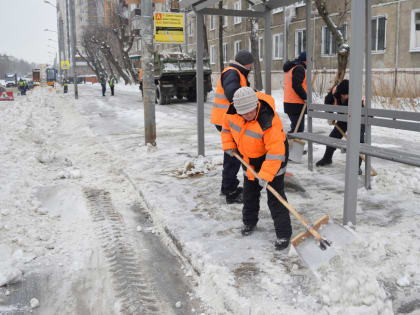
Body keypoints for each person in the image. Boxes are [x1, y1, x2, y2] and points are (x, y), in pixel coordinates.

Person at [221, 87, 292, 250]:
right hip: (249, 158)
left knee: (275, 196)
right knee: (249, 192)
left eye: (251, 111)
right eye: (244, 113)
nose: (248, 115)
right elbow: (226, 130)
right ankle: (249, 222)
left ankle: (283, 234)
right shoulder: (232, 114)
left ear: (256, 105)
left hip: (274, 157)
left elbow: (276, 151)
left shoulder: (268, 120)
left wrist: (266, 175)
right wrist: (229, 146)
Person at [210, 50, 254, 204]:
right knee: (234, 155)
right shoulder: (233, 73)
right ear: (246, 63)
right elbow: (234, 94)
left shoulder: (235, 72)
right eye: (251, 64)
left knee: (233, 154)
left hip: (227, 119)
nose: (251, 67)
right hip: (227, 121)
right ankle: (230, 191)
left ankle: (228, 186)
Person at [315, 79, 365, 174]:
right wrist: (330, 115)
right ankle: (327, 159)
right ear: (340, 92)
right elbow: (327, 102)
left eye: (347, 94)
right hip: (342, 118)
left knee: (359, 142)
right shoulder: (334, 93)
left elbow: (363, 113)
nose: (346, 96)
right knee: (333, 137)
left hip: (358, 120)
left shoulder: (355, 95)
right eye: (344, 94)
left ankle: (356, 167)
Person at [283, 51, 307, 133]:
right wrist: (305, 97)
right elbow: (296, 85)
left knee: (296, 129)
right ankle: (288, 145)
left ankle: (289, 144)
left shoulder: (292, 68)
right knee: (298, 131)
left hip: (290, 103)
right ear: (305, 61)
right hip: (296, 104)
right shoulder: (299, 68)